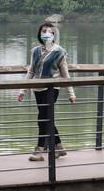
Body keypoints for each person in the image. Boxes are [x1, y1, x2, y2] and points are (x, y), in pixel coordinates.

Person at [17, 20, 75, 161]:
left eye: (50, 31)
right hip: (37, 89)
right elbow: (31, 71)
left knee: (42, 119)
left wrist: (71, 93)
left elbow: (65, 75)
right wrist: (22, 90)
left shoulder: (59, 52)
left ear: (54, 34)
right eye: (44, 31)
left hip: (51, 89)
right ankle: (59, 148)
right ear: (39, 34)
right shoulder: (35, 51)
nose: (46, 34)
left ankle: (39, 151)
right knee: (46, 119)